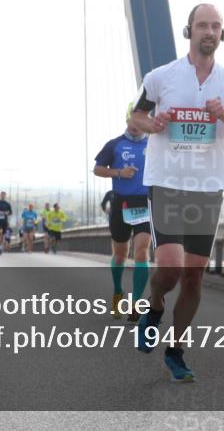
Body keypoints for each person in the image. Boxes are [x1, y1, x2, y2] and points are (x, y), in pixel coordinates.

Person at [129, 3, 224, 382]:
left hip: (208, 189)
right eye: (202, 25)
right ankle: (153, 307)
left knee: (194, 277)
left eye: (216, 26)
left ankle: (176, 351)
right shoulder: (161, 77)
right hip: (167, 184)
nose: (209, 31)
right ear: (189, 31)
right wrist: (152, 123)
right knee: (169, 268)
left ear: (222, 34)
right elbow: (135, 116)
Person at [94, 102, 152, 321]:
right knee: (120, 254)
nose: (136, 126)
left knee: (141, 251)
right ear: (127, 120)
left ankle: (136, 303)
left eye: (141, 121)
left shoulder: (155, 145)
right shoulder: (115, 145)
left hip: (145, 204)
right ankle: (118, 292)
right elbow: (98, 169)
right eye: (133, 120)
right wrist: (119, 172)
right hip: (121, 204)